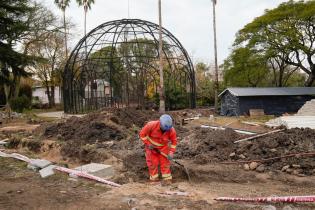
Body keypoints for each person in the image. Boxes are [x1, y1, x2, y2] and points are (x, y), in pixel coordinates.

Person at [139, 114, 177, 184]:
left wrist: (171, 152)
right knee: (152, 163)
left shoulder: (171, 130)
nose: (165, 131)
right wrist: (147, 143)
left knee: (165, 163)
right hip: (151, 148)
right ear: (159, 123)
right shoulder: (151, 125)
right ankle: (154, 179)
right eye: (163, 129)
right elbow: (142, 134)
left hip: (164, 148)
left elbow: (174, 142)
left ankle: (167, 179)